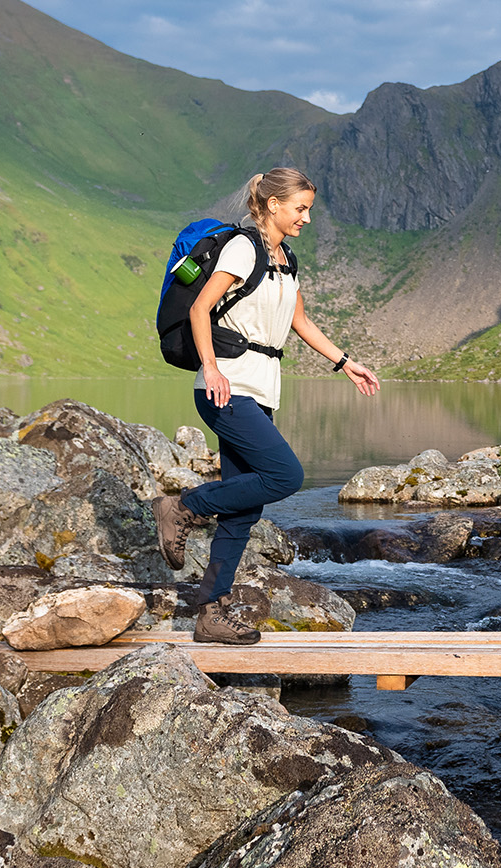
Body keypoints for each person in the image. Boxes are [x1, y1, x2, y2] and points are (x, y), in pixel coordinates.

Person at [152, 167, 380, 644]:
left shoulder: (285, 259)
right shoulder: (241, 247)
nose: (307, 218)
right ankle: (181, 506)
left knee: (242, 511)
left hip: (260, 389)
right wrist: (211, 368)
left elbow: (299, 320)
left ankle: (210, 613)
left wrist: (346, 363)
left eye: (309, 209)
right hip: (226, 387)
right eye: (301, 208)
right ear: (273, 204)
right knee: (285, 476)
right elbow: (199, 309)